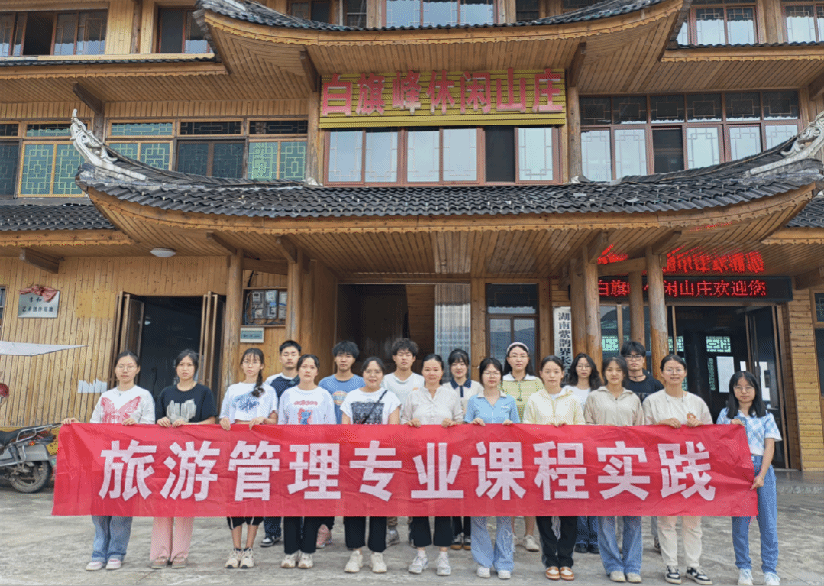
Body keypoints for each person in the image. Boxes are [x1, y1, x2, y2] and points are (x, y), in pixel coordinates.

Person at [62, 350, 156, 571]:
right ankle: (98, 552)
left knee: (121, 509)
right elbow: (94, 426)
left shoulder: (144, 395)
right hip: (103, 459)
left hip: (128, 459)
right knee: (99, 507)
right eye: (121, 366)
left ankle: (116, 552)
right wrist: (76, 425)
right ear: (115, 369)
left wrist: (137, 425)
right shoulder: (106, 397)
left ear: (137, 369)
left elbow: (150, 427)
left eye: (130, 366)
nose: (125, 370)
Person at [643, 354, 712, 586]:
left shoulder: (697, 402)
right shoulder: (652, 401)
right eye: (669, 369)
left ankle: (694, 565)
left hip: (693, 467)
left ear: (685, 373)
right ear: (661, 373)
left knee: (693, 522)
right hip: (665, 467)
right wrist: (661, 425)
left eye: (678, 369)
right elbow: (643, 434)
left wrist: (699, 426)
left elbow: (711, 434)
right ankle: (671, 565)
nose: (674, 373)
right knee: (667, 521)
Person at [151, 349, 217, 569]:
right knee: (162, 504)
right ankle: (160, 553)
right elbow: (157, 420)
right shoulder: (166, 392)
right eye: (181, 364)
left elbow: (211, 421)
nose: (185, 368)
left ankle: (180, 553)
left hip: (190, 455)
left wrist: (190, 426)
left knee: (184, 506)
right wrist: (161, 421)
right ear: (176, 368)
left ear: (195, 368)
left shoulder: (204, 392)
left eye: (189, 365)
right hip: (166, 456)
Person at [716, 372, 781, 586]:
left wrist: (761, 474)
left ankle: (770, 570)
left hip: (762, 468)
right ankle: (744, 568)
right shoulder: (725, 415)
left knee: (768, 523)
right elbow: (719, 446)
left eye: (748, 387)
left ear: (756, 390)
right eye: (738, 387)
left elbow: (769, 446)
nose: (743, 391)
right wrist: (731, 430)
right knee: (740, 523)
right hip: (738, 471)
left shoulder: (765, 416)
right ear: (732, 390)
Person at [584, 356, 644, 584]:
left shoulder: (633, 398)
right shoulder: (594, 397)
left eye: (618, 370)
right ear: (604, 373)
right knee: (606, 518)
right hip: (603, 463)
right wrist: (602, 431)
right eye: (610, 369)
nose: (614, 373)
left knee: (633, 518)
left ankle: (633, 565)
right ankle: (613, 565)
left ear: (624, 373)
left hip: (630, 463)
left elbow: (641, 431)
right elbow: (586, 428)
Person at [524, 355, 584, 582]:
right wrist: (544, 429)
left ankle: (566, 560)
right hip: (543, 462)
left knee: (569, 514)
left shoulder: (572, 399)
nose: (551, 376)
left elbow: (583, 428)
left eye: (555, 371)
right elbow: (526, 428)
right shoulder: (534, 399)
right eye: (547, 371)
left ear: (562, 374)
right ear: (540, 374)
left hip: (569, 463)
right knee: (544, 514)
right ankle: (550, 560)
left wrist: (568, 428)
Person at [402, 354, 463, 577]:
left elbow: (461, 423)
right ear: (422, 372)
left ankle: (443, 555)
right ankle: (421, 554)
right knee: (419, 508)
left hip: (444, 460)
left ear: (442, 372)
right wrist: (410, 424)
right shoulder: (413, 395)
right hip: (418, 460)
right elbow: (403, 422)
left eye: (435, 369)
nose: (431, 373)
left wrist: (452, 424)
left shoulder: (451, 395)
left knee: (443, 508)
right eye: (427, 369)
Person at [340, 356, 401, 574]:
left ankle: (377, 553)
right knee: (353, 507)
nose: (372, 375)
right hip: (355, 460)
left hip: (380, 459)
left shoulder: (391, 398)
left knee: (378, 507)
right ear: (362, 373)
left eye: (377, 372)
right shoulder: (352, 396)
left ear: (382, 375)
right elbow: (345, 429)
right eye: (368, 371)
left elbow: (393, 431)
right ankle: (355, 552)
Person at [219, 348, 278, 570]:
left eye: (255, 362)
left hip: (259, 448)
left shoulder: (269, 390)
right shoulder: (233, 389)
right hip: (236, 448)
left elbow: (275, 420)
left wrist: (264, 419)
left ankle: (249, 548)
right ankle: (236, 549)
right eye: (246, 361)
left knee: (255, 496)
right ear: (241, 365)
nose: (250, 365)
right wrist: (224, 421)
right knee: (234, 497)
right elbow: (224, 416)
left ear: (262, 365)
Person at [278, 354, 336, 570]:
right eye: (304, 366)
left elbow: (330, 427)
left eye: (312, 367)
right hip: (293, 456)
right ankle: (290, 551)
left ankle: (307, 552)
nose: (308, 370)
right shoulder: (288, 394)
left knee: (313, 505)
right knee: (291, 505)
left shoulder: (324, 395)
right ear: (298, 370)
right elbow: (281, 426)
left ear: (317, 371)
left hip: (317, 456)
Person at [465, 357, 519, 579]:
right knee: (479, 512)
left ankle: (505, 561)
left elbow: (519, 432)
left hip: (505, 463)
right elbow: (465, 432)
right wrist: (473, 425)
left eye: (496, 372)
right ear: (481, 376)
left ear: (501, 375)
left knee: (504, 513)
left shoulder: (510, 401)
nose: (492, 376)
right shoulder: (473, 401)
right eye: (487, 372)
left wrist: (511, 426)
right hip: (480, 462)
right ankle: (483, 560)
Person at [317, 340, 365, 548]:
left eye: (348, 356)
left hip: (353, 444)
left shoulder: (361, 382)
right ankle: (325, 529)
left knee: (351, 488)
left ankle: (352, 532)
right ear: (334, 358)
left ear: (354, 359)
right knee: (327, 487)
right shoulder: (325, 383)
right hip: (328, 443)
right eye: (340, 355)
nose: (343, 359)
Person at [620, 340, 664, 554]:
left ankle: (659, 538)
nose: (633, 360)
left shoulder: (655, 385)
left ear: (643, 359)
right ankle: (623, 540)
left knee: (655, 492)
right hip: (625, 447)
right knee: (625, 490)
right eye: (629, 356)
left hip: (651, 447)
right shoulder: (620, 384)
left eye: (637, 356)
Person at [501, 342, 543, 552]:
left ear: (528, 359)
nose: (518, 359)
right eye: (514, 355)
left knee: (530, 488)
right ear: (508, 360)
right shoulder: (501, 382)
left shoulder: (537, 383)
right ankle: (510, 533)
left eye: (522, 355)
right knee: (510, 486)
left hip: (531, 444)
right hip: (507, 443)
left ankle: (529, 535)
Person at [382, 337, 425, 546]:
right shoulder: (385, 380)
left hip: (414, 439)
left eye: (408, 354)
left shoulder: (420, 381)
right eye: (400, 354)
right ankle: (391, 528)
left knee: (412, 482)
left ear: (414, 358)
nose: (404, 358)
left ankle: (412, 526)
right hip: (390, 439)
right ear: (394, 358)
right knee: (390, 482)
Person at [261, 339, 301, 548]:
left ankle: (297, 531)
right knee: (273, 488)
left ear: (299, 357)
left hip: (299, 444)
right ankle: (272, 532)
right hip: (275, 442)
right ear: (279, 357)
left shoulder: (306, 378)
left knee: (297, 487)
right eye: (286, 354)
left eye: (293, 354)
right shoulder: (271, 382)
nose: (289, 357)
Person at [564, 353, 602, 557]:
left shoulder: (599, 391)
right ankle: (580, 537)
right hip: (573, 445)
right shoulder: (567, 390)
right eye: (580, 365)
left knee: (594, 492)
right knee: (577, 490)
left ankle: (595, 538)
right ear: (574, 368)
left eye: (587, 365)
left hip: (595, 446)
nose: (584, 369)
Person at [445, 348, 482, 551]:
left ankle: (469, 531)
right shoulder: (444, 388)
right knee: (452, 485)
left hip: (471, 444)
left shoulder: (477, 387)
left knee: (469, 487)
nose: (458, 367)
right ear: (449, 367)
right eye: (454, 364)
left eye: (462, 363)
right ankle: (454, 530)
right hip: (450, 444)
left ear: (467, 366)